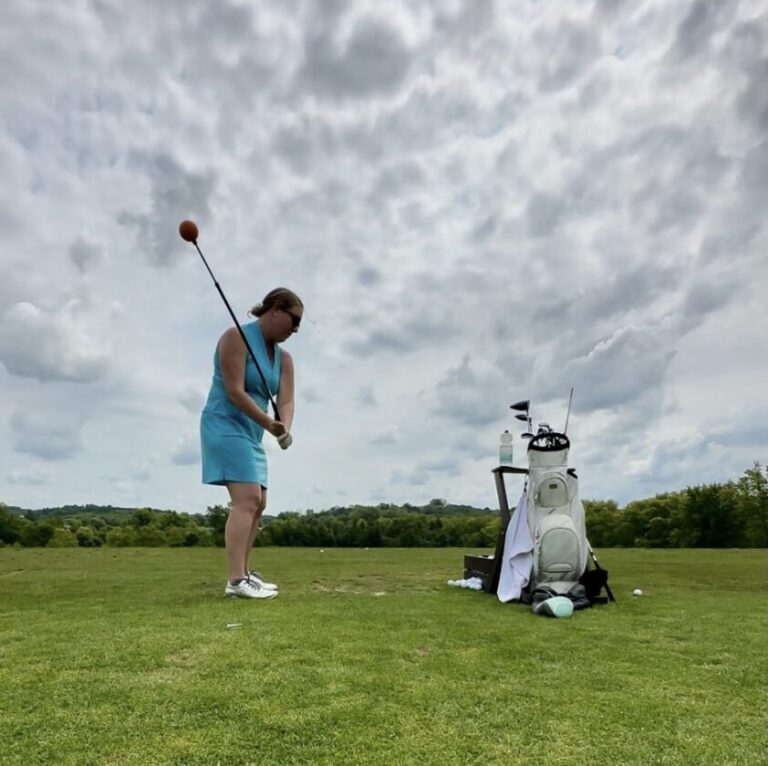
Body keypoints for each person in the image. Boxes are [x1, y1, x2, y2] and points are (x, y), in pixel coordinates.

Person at [200, 287, 303, 599]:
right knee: (246, 499)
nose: (295, 328)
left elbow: (287, 400)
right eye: (293, 319)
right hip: (224, 423)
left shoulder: (284, 359)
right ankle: (235, 581)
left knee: (260, 503)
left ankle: (245, 574)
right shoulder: (235, 338)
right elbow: (234, 391)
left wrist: (284, 427)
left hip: (253, 431)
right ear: (275, 309)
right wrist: (267, 423)